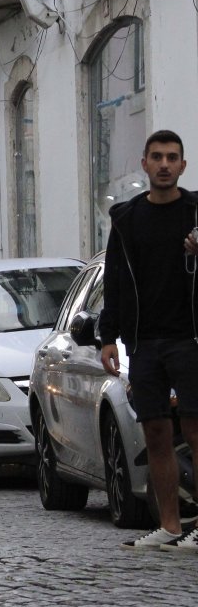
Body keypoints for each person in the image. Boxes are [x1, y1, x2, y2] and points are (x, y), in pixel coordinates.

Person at [100, 129, 198, 550]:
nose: (163, 164)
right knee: (155, 434)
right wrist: (108, 338)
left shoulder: (196, 214)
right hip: (144, 344)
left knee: (196, 432)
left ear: (182, 166)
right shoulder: (126, 220)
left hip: (190, 341)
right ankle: (171, 526)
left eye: (171, 157)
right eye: (156, 157)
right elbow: (116, 282)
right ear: (144, 164)